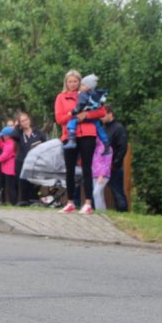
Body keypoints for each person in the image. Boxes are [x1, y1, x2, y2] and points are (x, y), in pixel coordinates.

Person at [54, 69, 106, 214]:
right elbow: (59, 119)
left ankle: (88, 203)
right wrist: (74, 115)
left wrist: (86, 115)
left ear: (80, 82)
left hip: (87, 133)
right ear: (66, 83)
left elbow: (102, 112)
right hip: (69, 135)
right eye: (69, 81)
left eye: (75, 81)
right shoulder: (61, 97)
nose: (72, 84)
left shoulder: (88, 94)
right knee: (69, 169)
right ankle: (70, 202)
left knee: (87, 167)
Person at [64, 74, 110, 154]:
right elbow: (100, 107)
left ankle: (71, 139)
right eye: (70, 82)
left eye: (82, 84)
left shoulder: (82, 94)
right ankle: (106, 144)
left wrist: (72, 112)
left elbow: (80, 106)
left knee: (72, 122)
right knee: (99, 129)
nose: (80, 86)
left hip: (86, 123)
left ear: (88, 86)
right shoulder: (96, 94)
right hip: (93, 119)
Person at [9, 111, 46, 205]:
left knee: (34, 183)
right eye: (22, 121)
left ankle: (34, 200)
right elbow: (13, 135)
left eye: (26, 120)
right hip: (22, 161)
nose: (25, 122)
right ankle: (23, 201)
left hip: (35, 162)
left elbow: (44, 142)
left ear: (29, 120)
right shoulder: (19, 133)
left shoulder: (37, 132)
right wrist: (17, 126)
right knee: (22, 183)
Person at [101, 105, 129, 212]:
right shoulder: (102, 128)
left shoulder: (118, 128)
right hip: (102, 165)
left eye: (103, 115)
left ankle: (122, 210)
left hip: (113, 165)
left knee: (117, 190)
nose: (101, 118)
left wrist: (116, 163)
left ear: (110, 114)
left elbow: (122, 147)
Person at [0, 126, 17, 205]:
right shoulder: (9, 143)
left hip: (10, 170)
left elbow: (2, 157)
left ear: (8, 136)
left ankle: (14, 203)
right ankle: (12, 203)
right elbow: (3, 146)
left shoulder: (10, 146)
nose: (3, 137)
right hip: (7, 169)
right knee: (10, 187)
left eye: (4, 135)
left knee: (11, 188)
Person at [91, 136, 113, 211]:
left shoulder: (107, 147)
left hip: (103, 175)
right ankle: (103, 211)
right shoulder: (95, 148)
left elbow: (107, 163)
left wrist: (102, 175)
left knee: (96, 193)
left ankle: (99, 211)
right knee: (99, 194)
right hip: (94, 174)